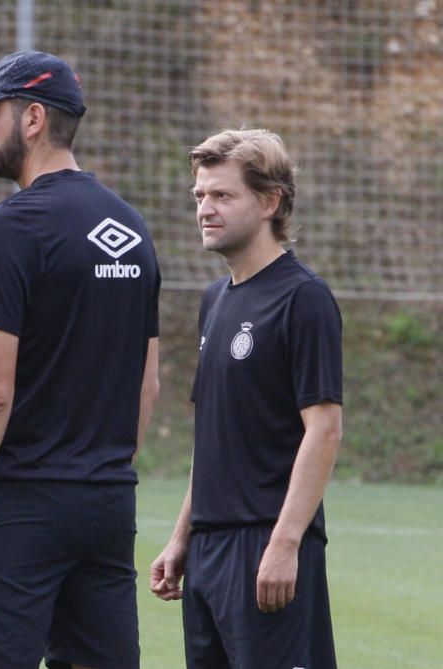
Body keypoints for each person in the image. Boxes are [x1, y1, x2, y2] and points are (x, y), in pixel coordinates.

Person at [0, 51, 161, 669]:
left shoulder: (15, 224)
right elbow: (148, 385)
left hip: (18, 510)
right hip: (108, 506)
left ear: (32, 118)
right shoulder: (133, 226)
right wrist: (100, 470)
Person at [150, 129, 342, 669]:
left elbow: (323, 430)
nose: (205, 210)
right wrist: (181, 537)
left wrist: (284, 544)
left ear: (269, 202)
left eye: (222, 196)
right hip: (208, 554)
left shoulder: (304, 298)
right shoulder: (215, 300)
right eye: (199, 197)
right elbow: (215, 438)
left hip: (266, 547)